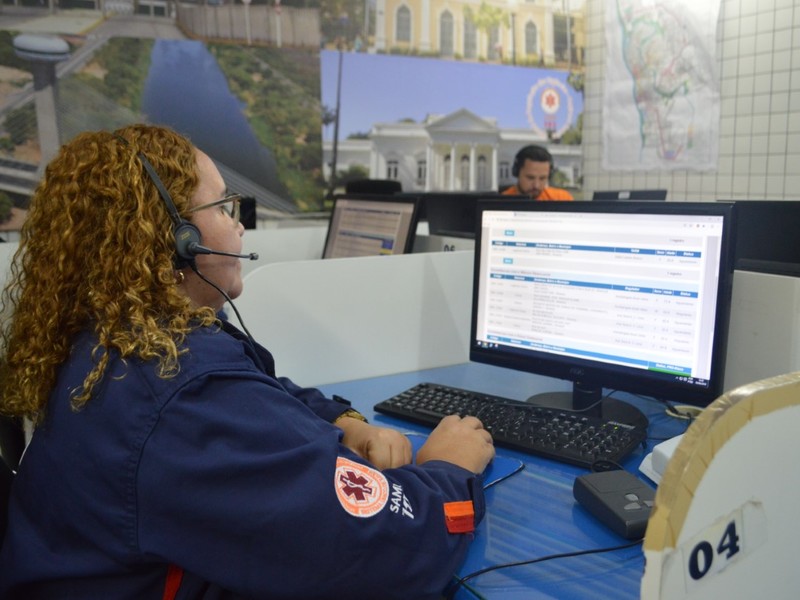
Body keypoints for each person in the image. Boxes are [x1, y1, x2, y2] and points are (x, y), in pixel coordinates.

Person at [0, 124, 495, 599]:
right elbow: (394, 549)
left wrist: (346, 423)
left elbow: (257, 389)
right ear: (173, 239)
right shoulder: (184, 393)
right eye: (222, 206)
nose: (238, 223)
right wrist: (449, 467)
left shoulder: (120, 340)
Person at [502, 144, 573, 201]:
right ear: (516, 172)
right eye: (530, 178)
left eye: (542, 178)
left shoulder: (561, 198)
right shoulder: (502, 201)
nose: (536, 185)